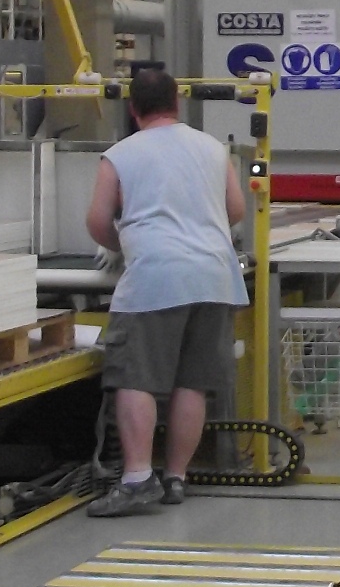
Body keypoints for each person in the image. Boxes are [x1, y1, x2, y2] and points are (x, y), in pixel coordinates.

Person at [84, 68, 248, 516]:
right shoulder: (213, 148)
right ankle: (176, 477)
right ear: (177, 102)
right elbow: (235, 209)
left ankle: (138, 479)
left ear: (133, 108)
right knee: (192, 382)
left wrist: (125, 245)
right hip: (214, 277)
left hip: (155, 278)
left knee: (135, 378)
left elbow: (97, 221)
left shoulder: (119, 155)